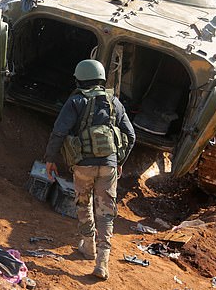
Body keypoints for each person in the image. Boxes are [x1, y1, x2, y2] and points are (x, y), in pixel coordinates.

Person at [44, 59, 135, 280]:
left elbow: (59, 132)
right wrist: (119, 159)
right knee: (106, 212)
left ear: (79, 79)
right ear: (102, 79)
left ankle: (88, 246)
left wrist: (49, 159)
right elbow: (131, 136)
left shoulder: (76, 101)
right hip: (109, 165)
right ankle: (102, 261)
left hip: (83, 165)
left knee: (83, 203)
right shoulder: (114, 101)